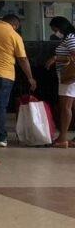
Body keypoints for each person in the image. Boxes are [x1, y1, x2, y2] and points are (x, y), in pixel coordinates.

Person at [45, 17, 75, 147]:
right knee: (71, 107)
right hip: (70, 78)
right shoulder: (70, 37)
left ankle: (62, 138)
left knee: (65, 107)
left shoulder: (70, 38)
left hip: (68, 77)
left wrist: (55, 58)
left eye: (55, 29)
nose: (54, 32)